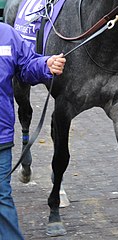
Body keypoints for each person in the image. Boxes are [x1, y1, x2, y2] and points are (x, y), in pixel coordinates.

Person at [0, 22, 66, 240]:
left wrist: (46, 64)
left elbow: (26, 66)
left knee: (2, 197)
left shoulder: (6, 34)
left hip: (0, 137)